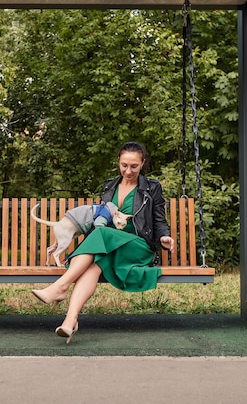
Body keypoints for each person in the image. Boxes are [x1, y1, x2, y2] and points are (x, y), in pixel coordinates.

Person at [32, 141, 175, 343]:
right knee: (94, 265)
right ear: (118, 162)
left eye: (134, 166)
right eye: (124, 165)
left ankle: (60, 286)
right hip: (110, 247)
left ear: (143, 163)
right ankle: (70, 321)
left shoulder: (152, 187)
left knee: (102, 234)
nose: (128, 171)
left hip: (138, 246)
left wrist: (164, 237)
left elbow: (159, 220)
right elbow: (101, 218)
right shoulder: (109, 186)